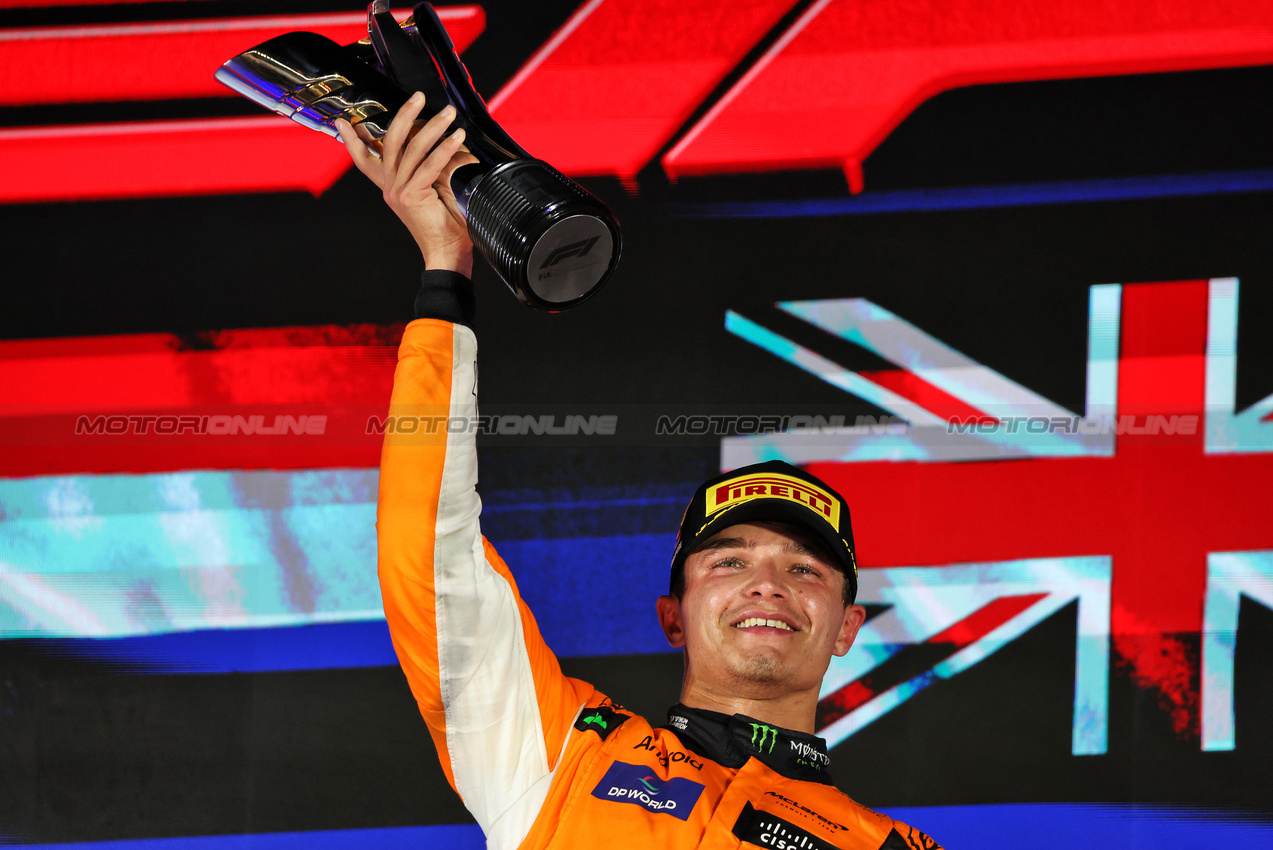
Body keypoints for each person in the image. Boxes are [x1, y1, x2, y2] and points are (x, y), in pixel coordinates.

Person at [336, 97, 942, 850]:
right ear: (670, 615)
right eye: (727, 560)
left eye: (806, 569)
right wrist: (444, 271)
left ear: (848, 626)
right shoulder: (559, 754)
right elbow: (427, 553)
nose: (768, 584)